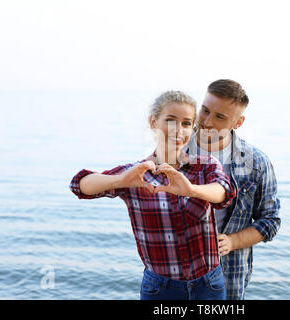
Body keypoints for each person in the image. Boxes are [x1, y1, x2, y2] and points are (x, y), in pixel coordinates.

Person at [69, 90, 236, 300]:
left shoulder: (205, 166)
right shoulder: (136, 173)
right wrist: (120, 180)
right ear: (153, 121)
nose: (178, 129)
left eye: (186, 123)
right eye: (170, 120)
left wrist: (191, 190)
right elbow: (80, 184)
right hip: (161, 288)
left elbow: (224, 192)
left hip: (209, 285)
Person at [183, 79, 281, 300]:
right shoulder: (173, 150)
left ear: (238, 122)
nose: (207, 122)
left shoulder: (256, 162)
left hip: (228, 276)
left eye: (219, 117)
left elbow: (271, 221)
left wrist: (232, 241)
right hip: (173, 273)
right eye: (205, 110)